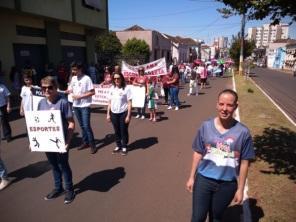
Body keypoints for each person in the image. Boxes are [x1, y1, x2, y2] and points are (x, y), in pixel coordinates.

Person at [186, 89, 255, 222]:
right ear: (217, 105)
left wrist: (240, 189)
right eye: (221, 104)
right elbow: (198, 152)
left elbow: (245, 163)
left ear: (236, 106)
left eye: (229, 105)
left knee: (216, 217)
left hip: (227, 185)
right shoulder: (205, 126)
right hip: (204, 180)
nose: (224, 109)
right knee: (197, 218)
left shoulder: (243, 132)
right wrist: (191, 177)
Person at [38, 76, 75, 204]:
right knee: (54, 165)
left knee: (63, 165)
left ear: (55, 88)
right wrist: (34, 141)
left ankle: (69, 189)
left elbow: (71, 123)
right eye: (44, 88)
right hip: (47, 142)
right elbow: (38, 124)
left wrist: (67, 142)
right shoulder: (41, 103)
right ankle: (58, 188)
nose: (47, 90)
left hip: (61, 142)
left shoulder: (63, 102)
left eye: (50, 87)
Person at [67, 62, 97, 154]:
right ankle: (85, 142)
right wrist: (68, 91)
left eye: (75, 69)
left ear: (80, 69)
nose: (73, 71)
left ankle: (92, 145)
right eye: (73, 69)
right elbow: (71, 89)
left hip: (84, 106)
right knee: (82, 126)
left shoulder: (87, 78)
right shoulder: (73, 78)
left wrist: (80, 97)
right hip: (76, 106)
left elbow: (92, 92)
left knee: (87, 126)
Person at [106, 72, 132, 156]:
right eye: (115, 78)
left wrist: (128, 115)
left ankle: (124, 146)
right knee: (116, 130)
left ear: (121, 79)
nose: (116, 80)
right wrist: (108, 114)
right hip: (114, 113)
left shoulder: (126, 89)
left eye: (118, 78)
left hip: (123, 113)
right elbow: (109, 102)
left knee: (123, 130)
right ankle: (118, 145)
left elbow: (129, 103)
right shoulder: (111, 88)